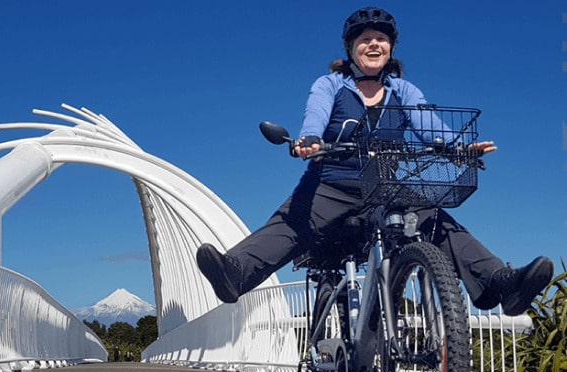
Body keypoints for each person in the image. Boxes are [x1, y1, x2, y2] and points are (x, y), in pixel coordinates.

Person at [196, 6, 553, 316]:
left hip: (385, 187)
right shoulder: (331, 84)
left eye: (381, 39)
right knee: (292, 222)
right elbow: (315, 115)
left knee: (436, 221)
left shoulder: (403, 91)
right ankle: (236, 271)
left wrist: (457, 147)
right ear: (351, 48)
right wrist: (311, 140)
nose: (373, 44)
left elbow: (429, 125)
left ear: (390, 48)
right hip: (332, 184)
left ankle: (500, 282)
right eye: (364, 39)